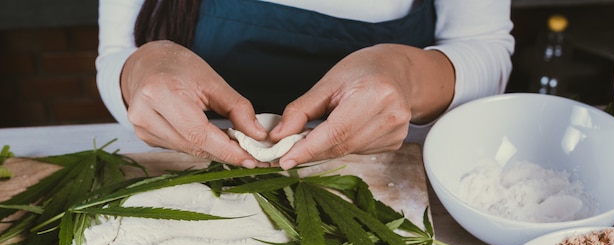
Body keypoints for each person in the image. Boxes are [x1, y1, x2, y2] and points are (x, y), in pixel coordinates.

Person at [97, 0, 514, 170]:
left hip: (383, 175)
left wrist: (404, 72)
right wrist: (138, 73)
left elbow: (485, 50)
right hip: (184, 170)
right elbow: (116, 50)